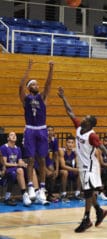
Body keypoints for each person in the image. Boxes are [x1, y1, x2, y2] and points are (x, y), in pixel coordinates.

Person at [58, 86, 107, 233]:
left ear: (90, 124)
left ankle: (86, 219)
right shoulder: (78, 127)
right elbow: (70, 112)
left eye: (86, 119)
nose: (83, 118)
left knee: (87, 192)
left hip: (90, 166)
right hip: (83, 165)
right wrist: (63, 98)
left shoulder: (92, 135)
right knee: (87, 191)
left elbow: (103, 148)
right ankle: (99, 211)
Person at [19, 59, 54, 204]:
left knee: (42, 159)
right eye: (33, 84)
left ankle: (42, 190)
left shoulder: (42, 97)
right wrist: (28, 68)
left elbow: (48, 84)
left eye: (36, 84)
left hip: (41, 129)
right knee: (31, 160)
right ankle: (31, 186)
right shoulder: (25, 99)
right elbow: (20, 85)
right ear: (29, 87)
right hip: (30, 130)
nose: (36, 85)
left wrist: (51, 69)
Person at [0, 132, 32, 206]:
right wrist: (17, 164)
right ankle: (10, 197)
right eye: (11, 135)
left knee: (28, 169)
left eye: (15, 135)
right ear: (8, 138)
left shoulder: (18, 148)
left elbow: (20, 160)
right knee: (16, 172)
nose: (14, 136)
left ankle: (27, 194)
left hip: (15, 168)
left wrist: (24, 164)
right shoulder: (3, 147)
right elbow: (5, 163)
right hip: (6, 169)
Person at [58, 135, 82, 202]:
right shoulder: (62, 150)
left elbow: (77, 164)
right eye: (69, 142)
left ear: (74, 144)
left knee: (80, 171)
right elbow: (62, 166)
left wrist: (77, 169)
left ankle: (77, 193)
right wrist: (74, 169)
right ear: (66, 143)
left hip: (71, 169)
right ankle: (63, 194)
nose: (70, 144)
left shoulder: (75, 152)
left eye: (72, 143)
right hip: (60, 171)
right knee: (65, 172)